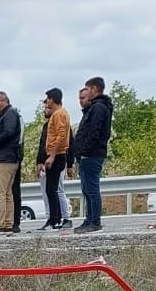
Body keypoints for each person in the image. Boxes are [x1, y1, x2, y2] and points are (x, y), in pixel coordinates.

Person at [70, 76, 113, 233]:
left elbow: (94, 132)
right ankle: (89, 219)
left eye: (87, 89)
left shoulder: (99, 108)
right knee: (87, 189)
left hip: (92, 155)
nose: (86, 93)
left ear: (94, 89)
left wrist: (83, 152)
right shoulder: (94, 107)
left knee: (92, 189)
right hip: (88, 155)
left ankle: (95, 221)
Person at [0, 91, 23, 234]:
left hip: (5, 158)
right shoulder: (2, 116)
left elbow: (8, 132)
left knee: (0, 193)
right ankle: (8, 223)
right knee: (8, 193)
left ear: (5, 101)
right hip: (10, 158)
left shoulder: (10, 114)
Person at [39, 88, 73, 230]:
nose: (47, 102)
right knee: (51, 189)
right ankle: (55, 219)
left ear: (52, 99)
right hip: (57, 154)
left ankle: (55, 220)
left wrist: (52, 156)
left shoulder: (59, 114)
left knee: (52, 189)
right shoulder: (61, 114)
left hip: (57, 155)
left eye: (47, 99)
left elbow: (60, 135)